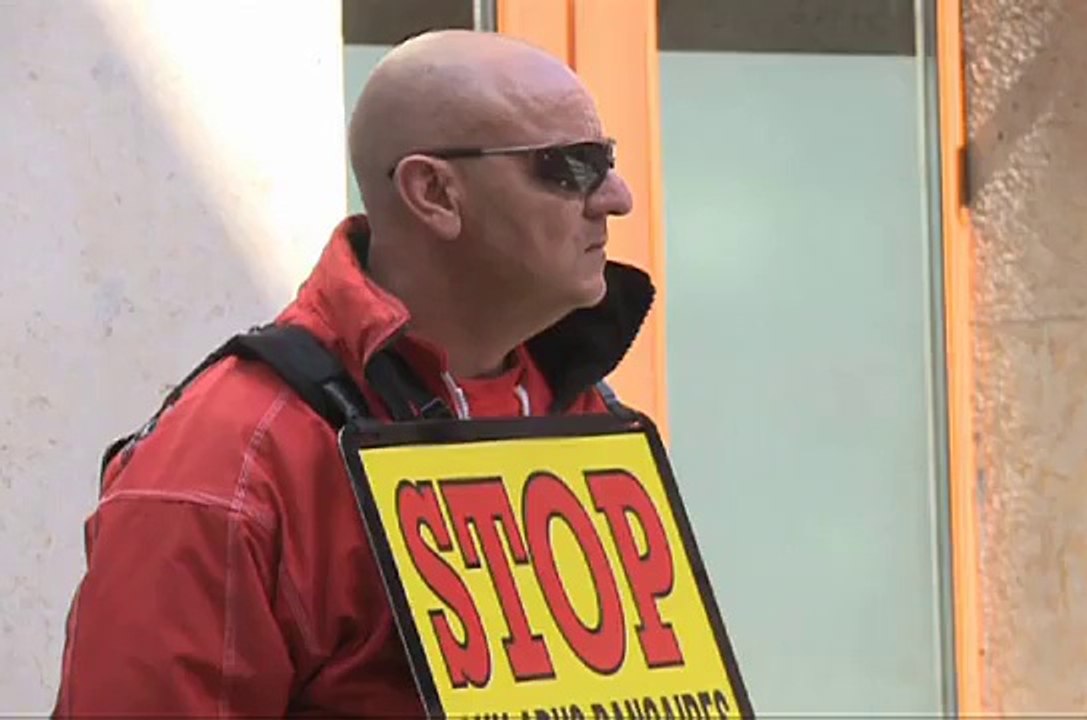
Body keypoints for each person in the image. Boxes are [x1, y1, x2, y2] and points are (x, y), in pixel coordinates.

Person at [53, 29, 651, 717]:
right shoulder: (231, 465)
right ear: (434, 193)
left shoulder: (585, 416)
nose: (618, 196)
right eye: (571, 166)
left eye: (606, 160)